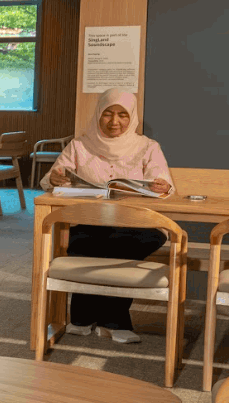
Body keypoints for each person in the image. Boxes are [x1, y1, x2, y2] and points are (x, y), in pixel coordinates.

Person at [44, 89, 174, 344]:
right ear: (98, 115)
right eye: (108, 114)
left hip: (138, 225)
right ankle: (111, 322)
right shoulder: (79, 145)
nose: (115, 122)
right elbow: (52, 179)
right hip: (92, 221)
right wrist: (54, 178)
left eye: (123, 115)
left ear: (132, 117)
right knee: (87, 240)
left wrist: (162, 186)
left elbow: (165, 185)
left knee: (117, 244)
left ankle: (88, 318)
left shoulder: (148, 147)